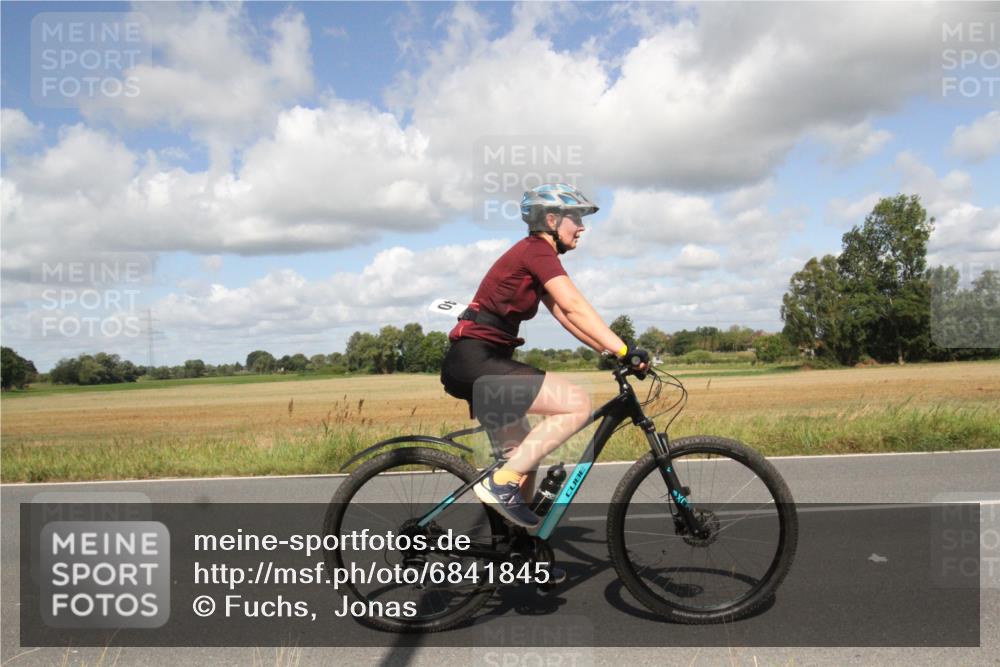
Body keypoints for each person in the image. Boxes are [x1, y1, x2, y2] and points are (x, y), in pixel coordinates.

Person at [440, 184, 649, 531]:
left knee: (523, 456)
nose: (581, 227)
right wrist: (625, 350)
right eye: (576, 219)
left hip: (476, 362)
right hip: (477, 361)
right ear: (551, 220)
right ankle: (500, 483)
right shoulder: (537, 251)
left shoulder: (533, 257)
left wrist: (609, 351)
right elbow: (574, 305)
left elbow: (566, 317)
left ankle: (518, 553)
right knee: (576, 404)